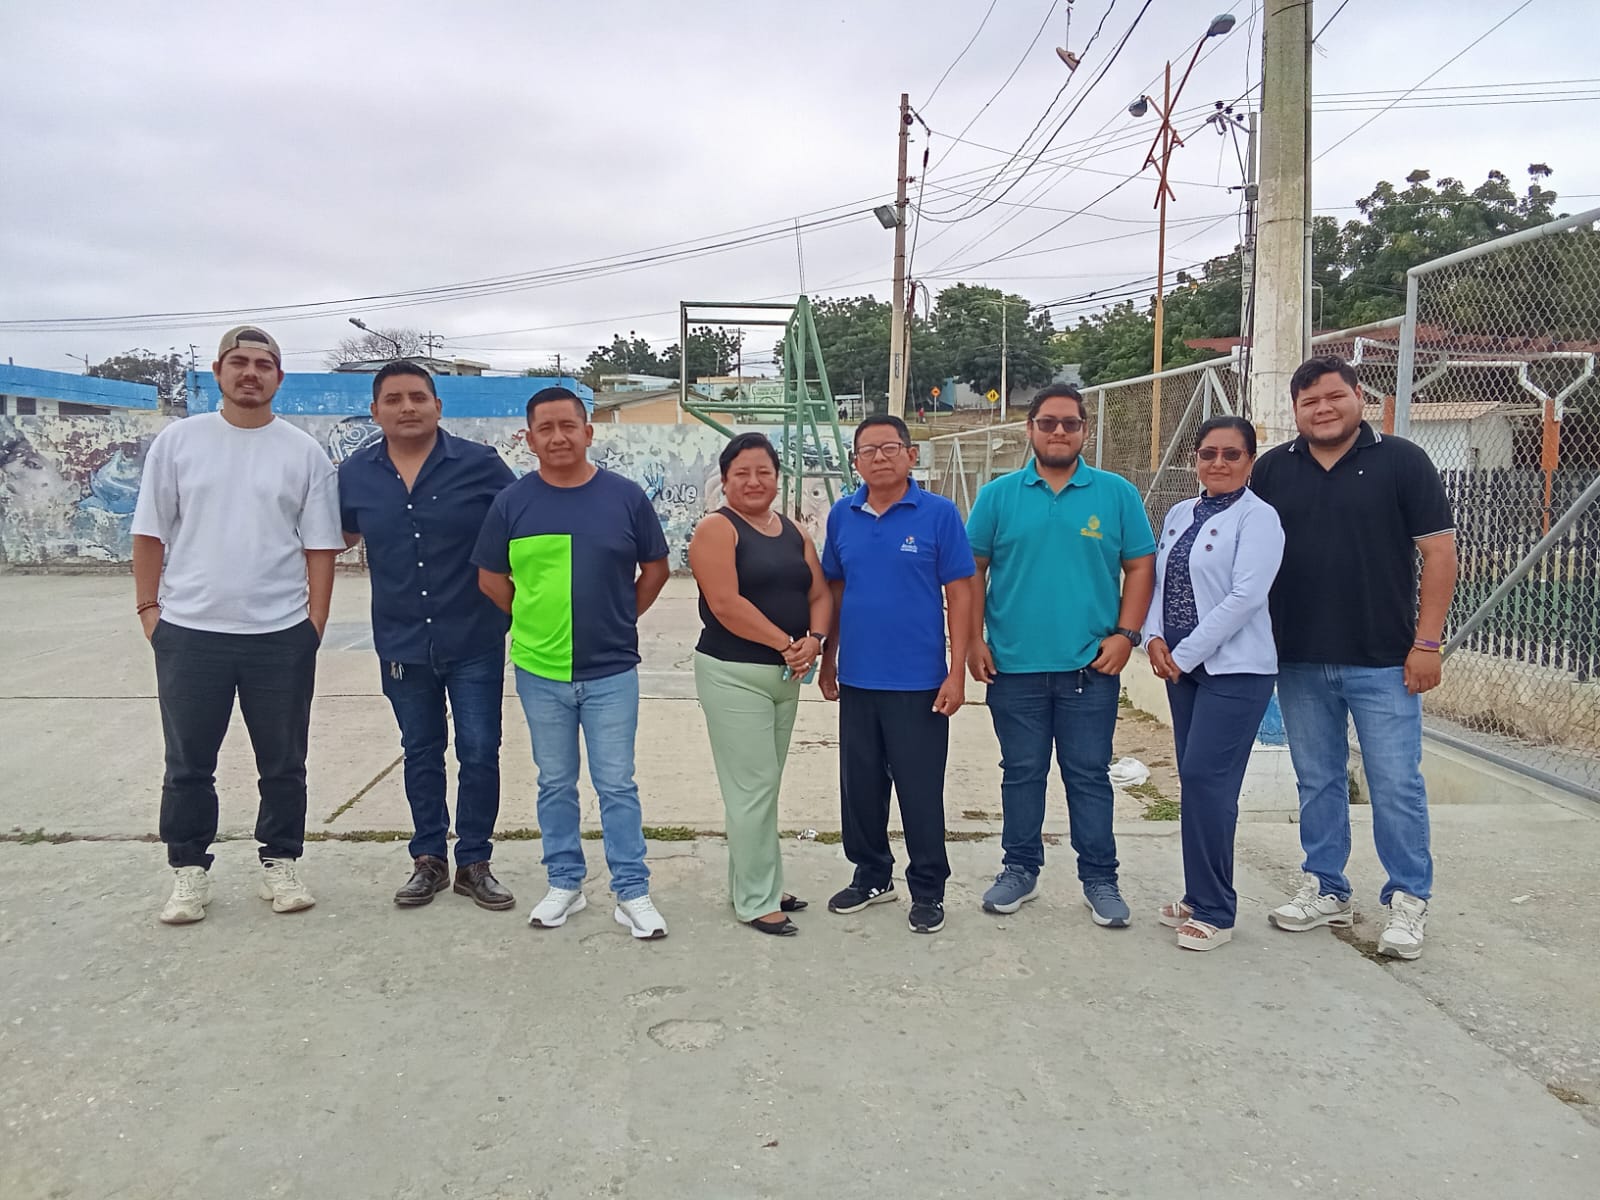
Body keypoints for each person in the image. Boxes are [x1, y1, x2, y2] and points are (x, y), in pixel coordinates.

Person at [131, 326, 344, 924]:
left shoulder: (302, 452)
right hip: (189, 631)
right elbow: (149, 532)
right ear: (219, 372)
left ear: (279, 377)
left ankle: (281, 862)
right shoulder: (179, 441)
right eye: (239, 362)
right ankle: (188, 871)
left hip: (280, 634)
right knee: (188, 764)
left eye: (263, 364)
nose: (251, 373)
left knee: (284, 763)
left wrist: (314, 622)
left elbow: (320, 546)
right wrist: (150, 612)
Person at [1250, 356, 1457, 961]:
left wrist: (1427, 644)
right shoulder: (1273, 470)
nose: (1323, 409)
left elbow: (1440, 554)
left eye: (1333, 396)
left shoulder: (1402, 462)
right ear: (1295, 409)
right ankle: (1326, 887)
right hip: (1298, 660)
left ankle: (1408, 899)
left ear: (1359, 396)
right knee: (1317, 780)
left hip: (1384, 662)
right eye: (1309, 401)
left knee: (1395, 784)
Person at [472, 386, 673, 939]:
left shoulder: (625, 497)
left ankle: (631, 891)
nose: (558, 437)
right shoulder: (511, 502)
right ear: (529, 438)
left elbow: (655, 569)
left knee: (617, 785)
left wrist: (620, 616)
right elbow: (490, 578)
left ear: (588, 432)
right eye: (546, 428)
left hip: (611, 671)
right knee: (555, 783)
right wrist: (532, 620)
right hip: (540, 671)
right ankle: (565, 882)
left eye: (568, 426)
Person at [966, 383, 1156, 928]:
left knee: (1089, 775)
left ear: (1084, 431)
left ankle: (1100, 879)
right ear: (1029, 429)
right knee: (1021, 773)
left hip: (1088, 669)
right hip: (1013, 667)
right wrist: (973, 638)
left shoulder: (1116, 494)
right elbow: (972, 569)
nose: (1058, 432)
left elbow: (1140, 566)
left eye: (1070, 423)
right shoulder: (998, 496)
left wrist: (1126, 635)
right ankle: (1019, 869)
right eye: (1047, 422)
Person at [338, 362, 518, 911]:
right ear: (375, 411)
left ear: (438, 406)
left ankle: (475, 863)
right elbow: (333, 537)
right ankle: (428, 860)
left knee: (480, 750)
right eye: (393, 399)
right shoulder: (356, 473)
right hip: (401, 640)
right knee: (420, 750)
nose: (407, 407)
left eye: (418, 397)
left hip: (474, 634)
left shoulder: (480, 464)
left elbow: (523, 525)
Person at [819, 415, 974, 935]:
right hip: (858, 679)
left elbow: (960, 593)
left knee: (919, 789)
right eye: (868, 450)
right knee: (860, 788)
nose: (879, 457)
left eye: (890, 447)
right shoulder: (842, 516)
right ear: (855, 462)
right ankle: (872, 875)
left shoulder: (939, 514)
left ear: (911, 455)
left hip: (919, 683)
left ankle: (928, 888)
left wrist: (957, 672)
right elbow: (835, 591)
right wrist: (828, 659)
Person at [1142, 416, 1284, 951]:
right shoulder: (1181, 512)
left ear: (1250, 461)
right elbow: (1160, 581)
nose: (1218, 463)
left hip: (1236, 670)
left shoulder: (1259, 518)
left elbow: (1246, 597)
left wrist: (1184, 653)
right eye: (1208, 454)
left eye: (1231, 454)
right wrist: (1153, 637)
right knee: (1195, 781)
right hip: (1182, 670)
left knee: (1208, 780)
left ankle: (1216, 910)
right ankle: (1198, 891)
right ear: (1195, 459)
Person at [688, 432, 832, 936]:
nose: (754, 481)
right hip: (733, 674)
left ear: (776, 478)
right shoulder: (716, 529)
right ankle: (756, 900)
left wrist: (815, 640)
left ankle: (756, 881)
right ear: (725, 480)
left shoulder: (793, 531)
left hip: (784, 677)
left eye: (763, 472)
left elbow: (819, 593)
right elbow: (726, 604)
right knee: (752, 787)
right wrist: (787, 644)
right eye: (742, 473)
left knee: (763, 787)